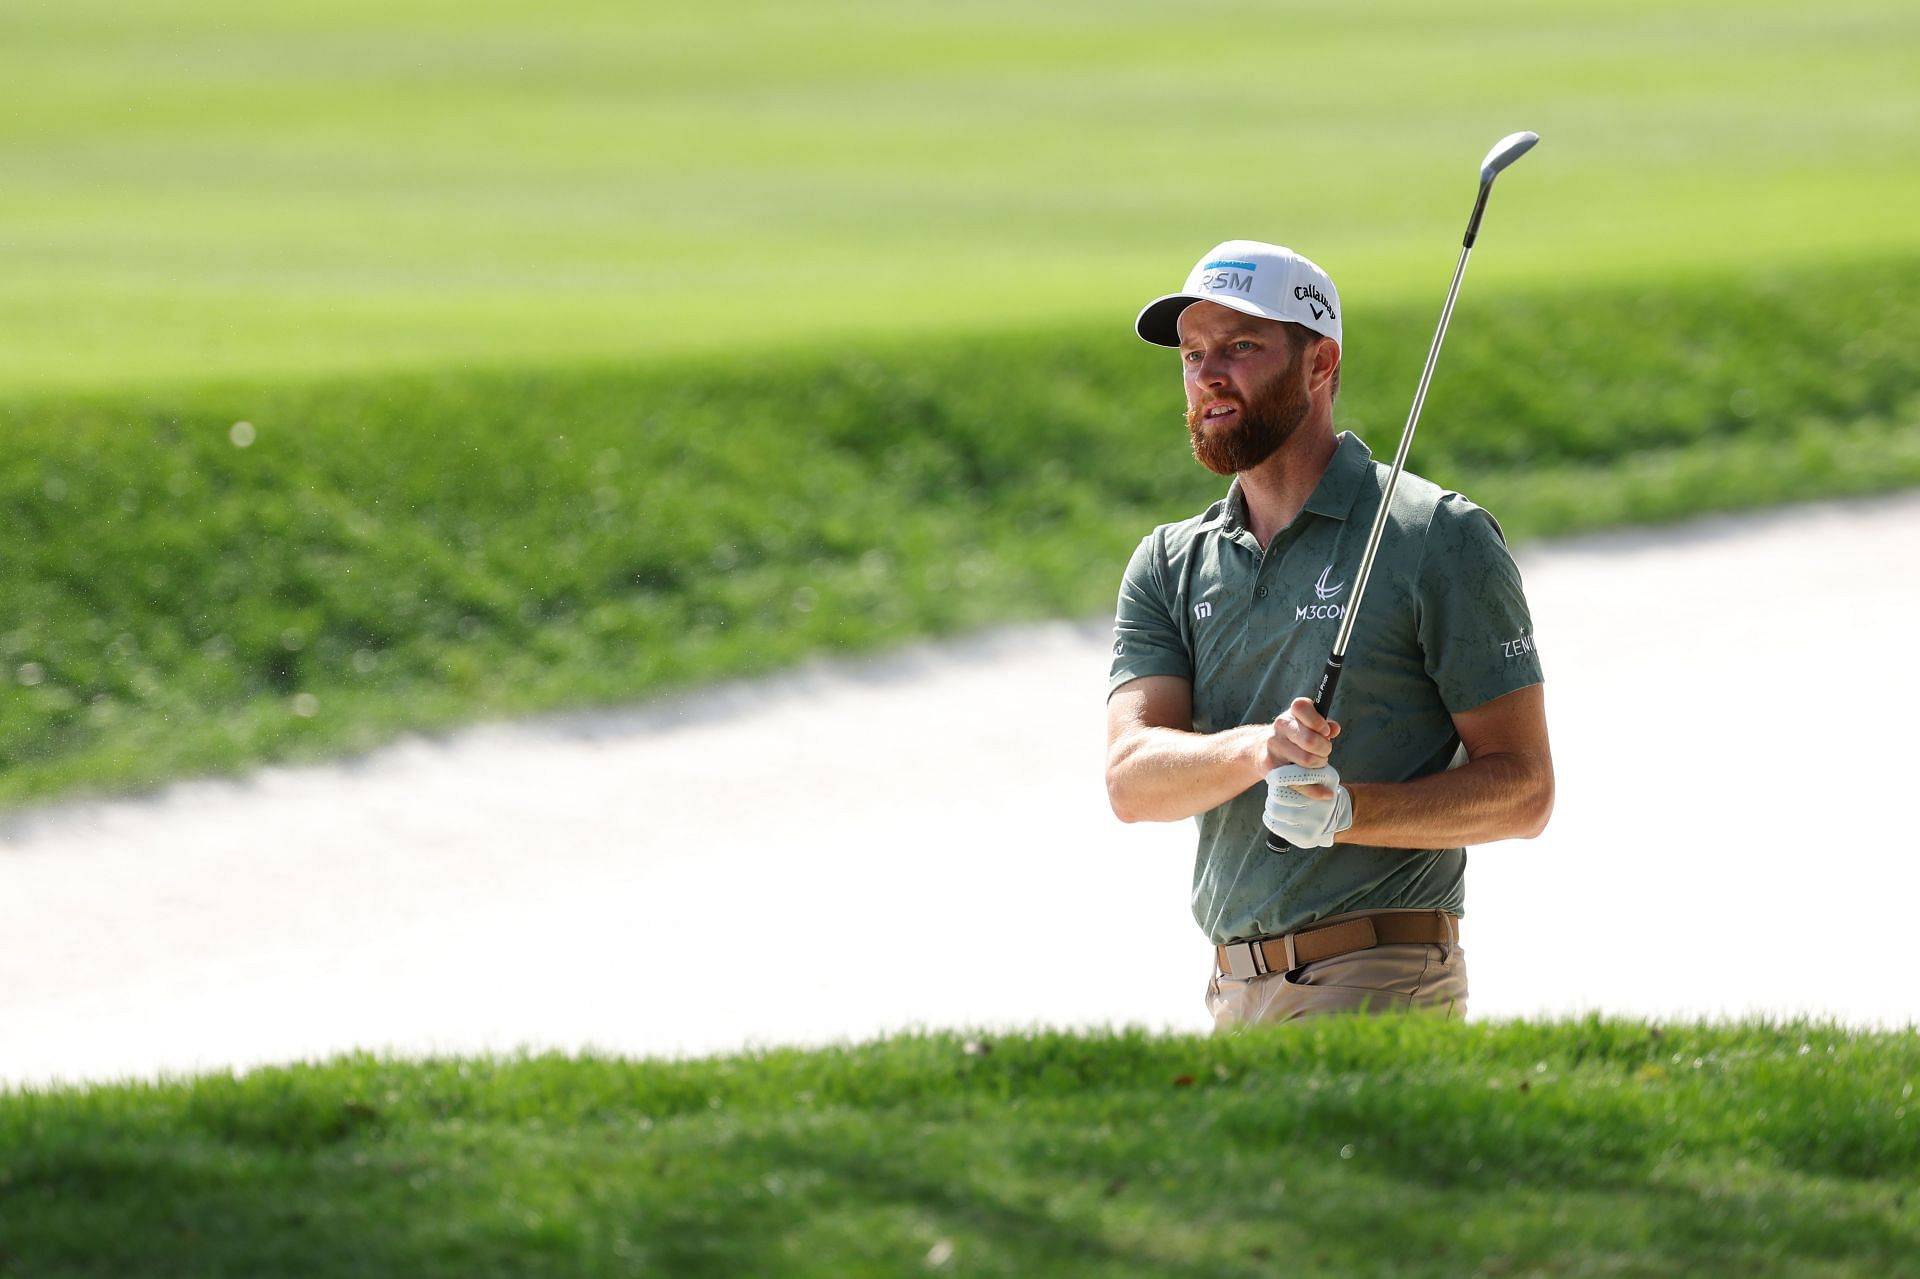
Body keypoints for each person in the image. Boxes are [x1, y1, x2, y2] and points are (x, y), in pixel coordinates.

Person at [1104, 240, 1554, 1027]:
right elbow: (1132, 778)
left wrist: (1349, 810)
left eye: (1242, 347)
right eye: (1194, 353)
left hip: (1382, 966)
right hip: (1230, 986)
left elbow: (1524, 790)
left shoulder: (1434, 535)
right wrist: (1259, 749)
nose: (1209, 373)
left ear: (1320, 364)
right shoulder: (1170, 562)